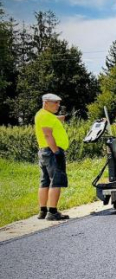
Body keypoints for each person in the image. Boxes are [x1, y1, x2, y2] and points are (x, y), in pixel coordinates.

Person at [34, 93, 70, 221]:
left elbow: (56, 119)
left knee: (45, 181)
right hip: (52, 152)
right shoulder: (46, 116)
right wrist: (56, 151)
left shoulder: (43, 115)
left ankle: (43, 211)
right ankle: (53, 212)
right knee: (56, 180)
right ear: (46, 102)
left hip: (45, 152)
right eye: (55, 103)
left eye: (59, 103)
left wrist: (65, 117)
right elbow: (48, 135)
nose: (58, 105)